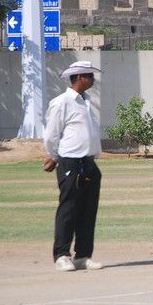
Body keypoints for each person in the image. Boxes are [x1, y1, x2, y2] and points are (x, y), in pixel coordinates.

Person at [43, 60, 104, 271]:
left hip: (88, 162)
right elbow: (51, 135)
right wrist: (55, 157)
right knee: (68, 209)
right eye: (89, 76)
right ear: (79, 77)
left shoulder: (86, 101)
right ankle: (61, 255)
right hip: (70, 161)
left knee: (88, 211)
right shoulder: (62, 102)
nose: (93, 80)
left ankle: (83, 255)